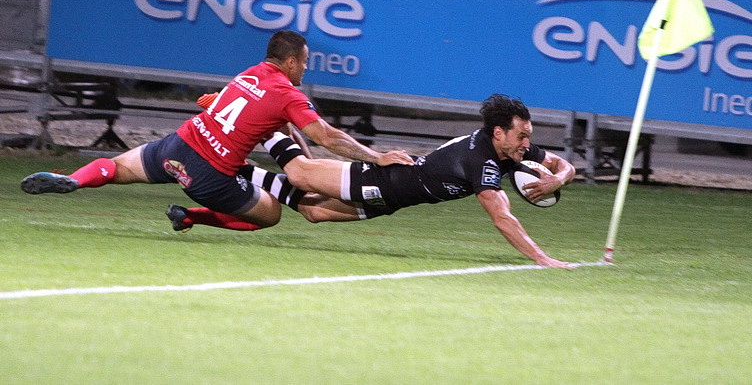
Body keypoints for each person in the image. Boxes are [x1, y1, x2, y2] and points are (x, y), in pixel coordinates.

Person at [20, 30, 413, 231]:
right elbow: (329, 135)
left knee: (118, 168)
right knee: (272, 214)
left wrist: (296, 148)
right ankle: (192, 215)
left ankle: (71, 179)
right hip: (210, 174)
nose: (306, 68)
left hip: (177, 145)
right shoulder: (287, 93)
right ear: (291, 61)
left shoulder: (250, 74)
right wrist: (378, 156)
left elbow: (244, 112)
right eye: (305, 62)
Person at [169, 93, 576, 269]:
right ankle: (254, 121)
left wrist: (555, 183)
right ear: (499, 133)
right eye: (522, 134)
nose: (529, 142)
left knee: (312, 211)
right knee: (298, 172)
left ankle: (241, 169)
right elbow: (502, 217)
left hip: (392, 200)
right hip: (379, 181)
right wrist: (542, 258)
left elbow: (566, 165)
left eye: (529, 135)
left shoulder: (514, 151)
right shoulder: (482, 160)